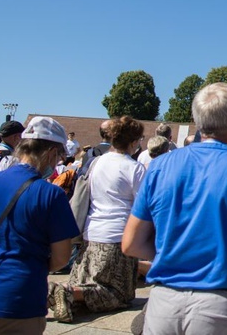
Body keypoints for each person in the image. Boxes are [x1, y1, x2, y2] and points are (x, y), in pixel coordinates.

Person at [122, 83, 227, 335]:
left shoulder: (160, 167)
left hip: (163, 304)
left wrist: (173, 252)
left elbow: (130, 243)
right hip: (221, 305)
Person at [0, 116, 79, 334]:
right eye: (59, 155)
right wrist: (33, 265)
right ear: (51, 152)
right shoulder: (51, 193)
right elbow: (62, 257)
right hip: (20, 301)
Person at [48, 116, 146, 323]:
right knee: (120, 294)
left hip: (91, 231)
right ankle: (65, 291)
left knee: (91, 282)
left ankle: (58, 292)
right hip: (118, 235)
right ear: (134, 141)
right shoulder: (133, 168)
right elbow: (143, 205)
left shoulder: (96, 162)